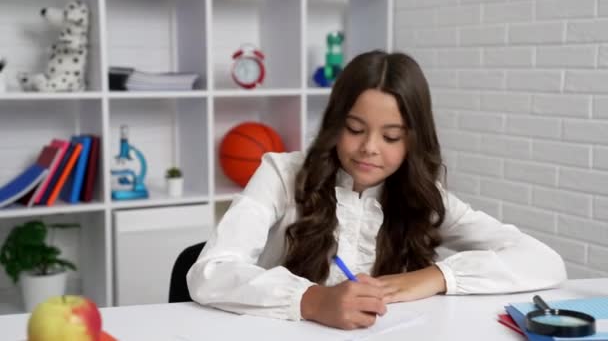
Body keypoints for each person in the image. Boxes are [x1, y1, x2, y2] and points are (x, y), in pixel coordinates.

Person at [186, 50, 567, 330]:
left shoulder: (422, 196)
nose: (370, 147)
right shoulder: (282, 175)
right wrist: (313, 300)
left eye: (391, 136)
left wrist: (433, 277)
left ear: (413, 141)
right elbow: (209, 272)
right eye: (354, 129)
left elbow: (544, 261)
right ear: (335, 124)